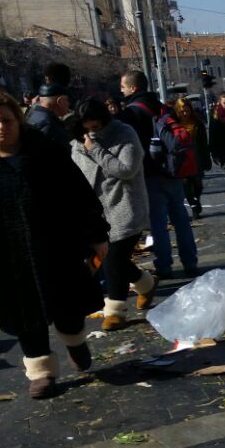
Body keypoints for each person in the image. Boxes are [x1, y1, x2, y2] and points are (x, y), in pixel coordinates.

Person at [0, 90, 110, 398]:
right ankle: (41, 371)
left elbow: (80, 195)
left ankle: (75, 341)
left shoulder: (45, 153)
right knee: (25, 315)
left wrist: (97, 235)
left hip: (57, 247)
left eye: (6, 120)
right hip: (9, 257)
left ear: (18, 121)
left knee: (68, 306)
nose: (1, 127)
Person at [69, 99, 156, 332]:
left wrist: (96, 150)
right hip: (95, 211)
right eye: (87, 128)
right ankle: (146, 284)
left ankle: (116, 311)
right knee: (112, 258)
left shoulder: (124, 133)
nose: (91, 132)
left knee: (113, 257)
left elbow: (127, 169)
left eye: (96, 127)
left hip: (125, 205)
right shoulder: (78, 140)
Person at [118, 69, 197, 279]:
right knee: (181, 218)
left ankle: (164, 266)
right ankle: (190, 262)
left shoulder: (130, 114)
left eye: (123, 87)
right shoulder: (164, 108)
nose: (121, 91)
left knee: (158, 224)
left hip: (150, 174)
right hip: (173, 171)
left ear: (133, 88)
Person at [173, 97, 210, 218]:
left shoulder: (197, 123)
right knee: (186, 183)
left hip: (196, 157)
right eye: (182, 111)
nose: (185, 113)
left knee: (198, 184)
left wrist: (207, 158)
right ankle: (193, 205)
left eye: (187, 111)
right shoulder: (174, 124)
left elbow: (203, 142)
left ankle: (196, 199)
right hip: (182, 158)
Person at [25, 83, 73, 151]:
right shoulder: (50, 125)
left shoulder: (33, 114)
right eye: (67, 100)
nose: (68, 104)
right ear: (60, 101)